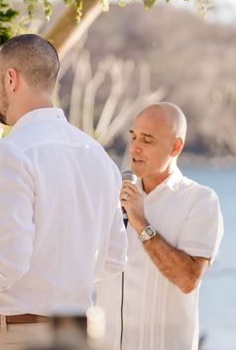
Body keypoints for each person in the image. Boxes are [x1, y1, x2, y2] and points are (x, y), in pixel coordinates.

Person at [0, 34, 127, 350]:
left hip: (15, 336)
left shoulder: (13, 151)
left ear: (10, 79)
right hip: (74, 334)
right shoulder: (98, 156)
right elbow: (114, 258)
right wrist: (62, 280)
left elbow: (7, 262)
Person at [96, 103, 224, 350]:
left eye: (147, 140)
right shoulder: (111, 196)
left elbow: (188, 279)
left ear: (176, 146)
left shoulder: (200, 200)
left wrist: (141, 223)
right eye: (133, 137)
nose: (134, 147)